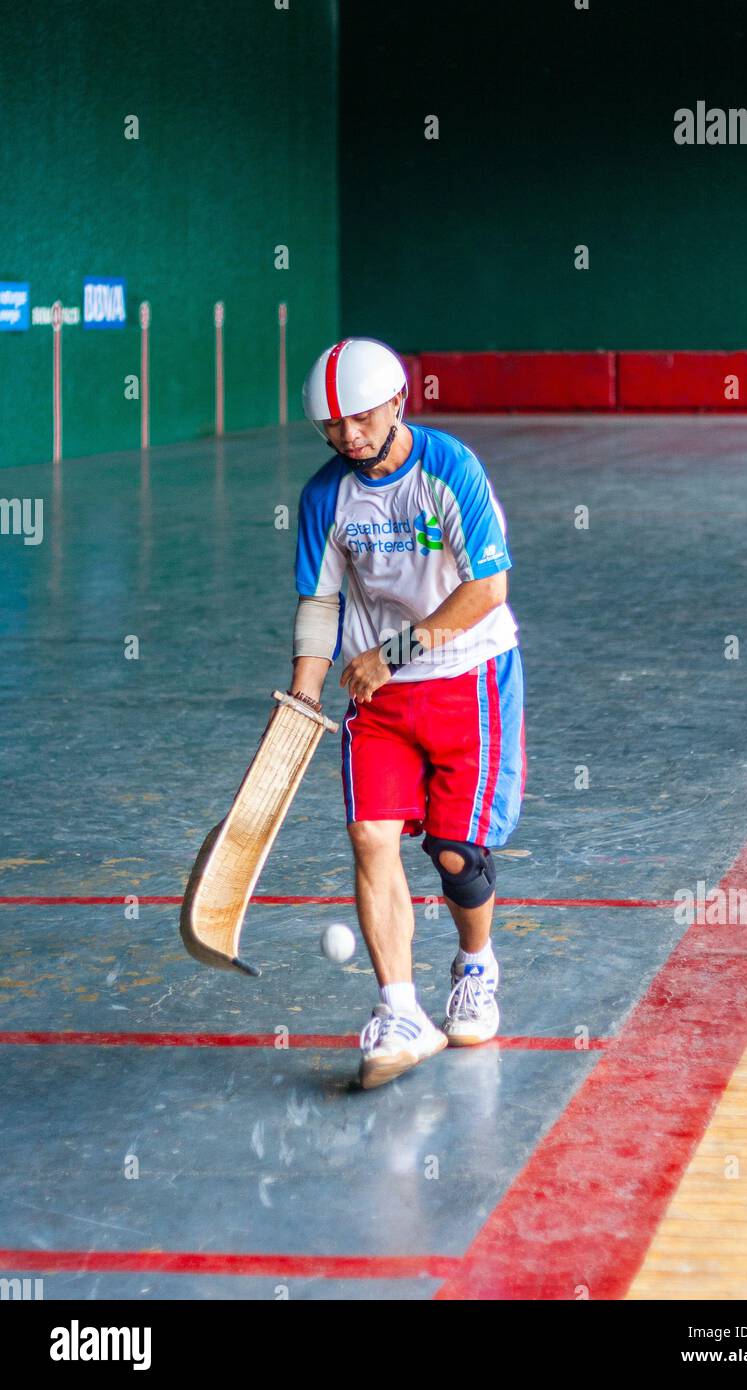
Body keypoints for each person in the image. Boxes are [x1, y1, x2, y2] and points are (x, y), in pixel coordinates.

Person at [291, 337, 526, 1088]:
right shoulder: (325, 495)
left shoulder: (450, 469)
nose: (349, 438)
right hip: (378, 702)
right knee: (369, 835)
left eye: (361, 418)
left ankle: (476, 965)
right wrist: (303, 691)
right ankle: (400, 1010)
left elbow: (490, 587)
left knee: (456, 855)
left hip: (468, 677)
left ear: (398, 401)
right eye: (334, 428)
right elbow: (320, 601)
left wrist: (390, 655)